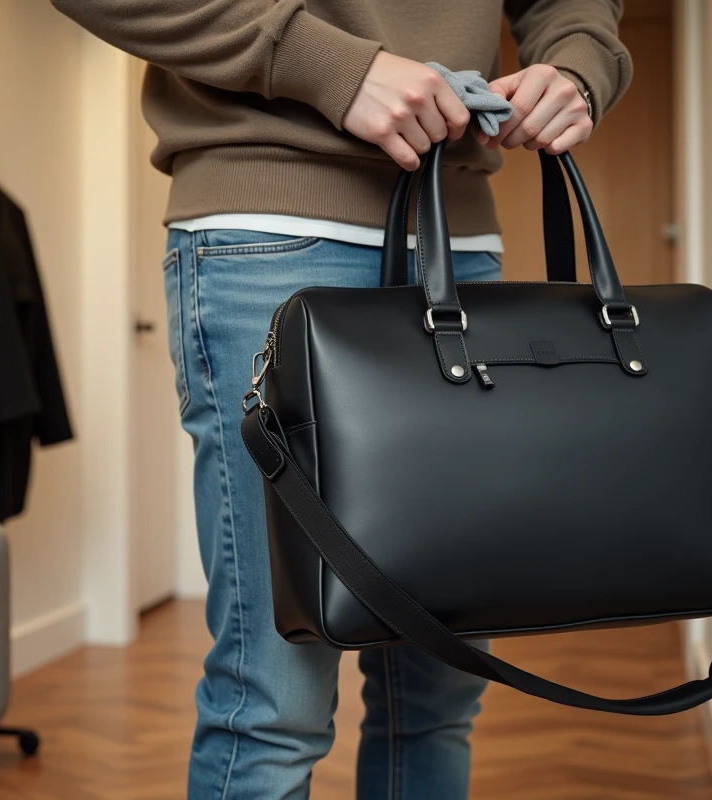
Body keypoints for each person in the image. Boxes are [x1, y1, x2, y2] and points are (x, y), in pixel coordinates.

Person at [50, 2, 631, 797]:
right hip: (270, 220)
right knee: (274, 701)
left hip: (457, 239)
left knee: (440, 688)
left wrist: (576, 68)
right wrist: (329, 65)